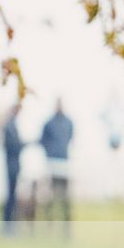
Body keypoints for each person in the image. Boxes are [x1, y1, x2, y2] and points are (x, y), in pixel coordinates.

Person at [39, 99, 75, 238]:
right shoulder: (49, 123)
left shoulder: (68, 122)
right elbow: (43, 141)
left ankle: (67, 230)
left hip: (64, 164)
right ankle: (50, 227)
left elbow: (71, 137)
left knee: (66, 199)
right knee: (50, 198)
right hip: (52, 164)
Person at [0, 106, 27, 235]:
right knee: (10, 197)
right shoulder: (9, 125)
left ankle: (10, 226)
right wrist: (24, 144)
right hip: (11, 166)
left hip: (13, 165)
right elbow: (12, 145)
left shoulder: (11, 124)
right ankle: (8, 226)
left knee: (12, 197)